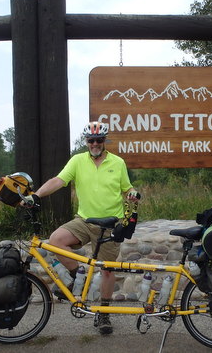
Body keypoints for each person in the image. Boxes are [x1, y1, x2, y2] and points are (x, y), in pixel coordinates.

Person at [30, 121, 139, 335]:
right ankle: (76, 278)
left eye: (99, 140)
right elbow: (58, 180)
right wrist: (36, 195)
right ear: (86, 141)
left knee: (107, 270)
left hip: (110, 224)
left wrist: (133, 194)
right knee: (56, 240)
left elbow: (127, 189)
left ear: (105, 141)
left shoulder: (117, 162)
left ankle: (104, 314)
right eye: (91, 140)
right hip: (84, 221)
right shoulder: (77, 161)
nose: (95, 143)